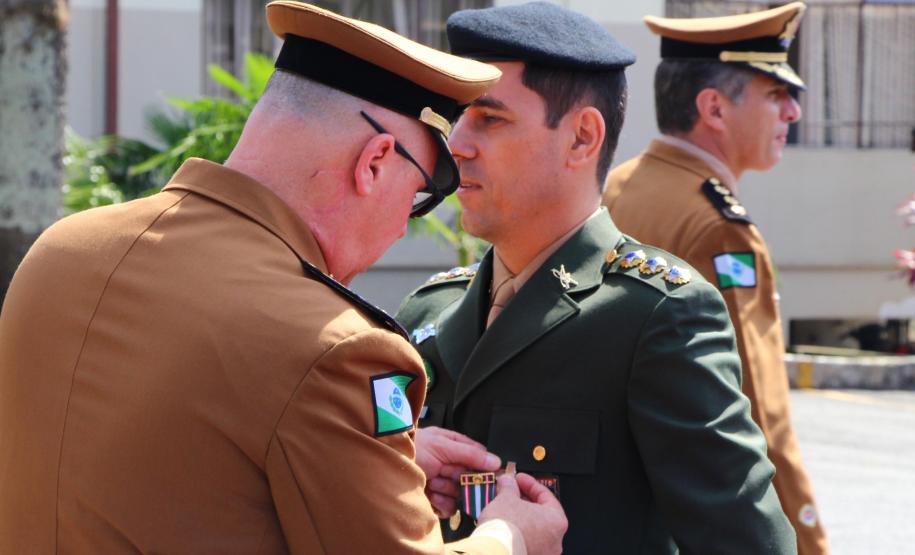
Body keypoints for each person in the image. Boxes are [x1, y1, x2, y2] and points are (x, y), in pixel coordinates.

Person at [0, 2, 567, 554]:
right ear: (373, 163)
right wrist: (511, 536)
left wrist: (363, 461)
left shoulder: (63, 249)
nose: (401, 229)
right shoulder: (338, 349)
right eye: (418, 197)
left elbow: (161, 462)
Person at [396, 2, 795, 553]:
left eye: (489, 119)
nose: (457, 143)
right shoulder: (426, 314)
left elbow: (745, 543)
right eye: (456, 117)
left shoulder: (656, 316)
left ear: (582, 137)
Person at [602, 4, 829, 553]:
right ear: (714, 109)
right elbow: (757, 412)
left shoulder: (617, 185)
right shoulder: (718, 227)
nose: (793, 112)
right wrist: (807, 537)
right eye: (776, 94)